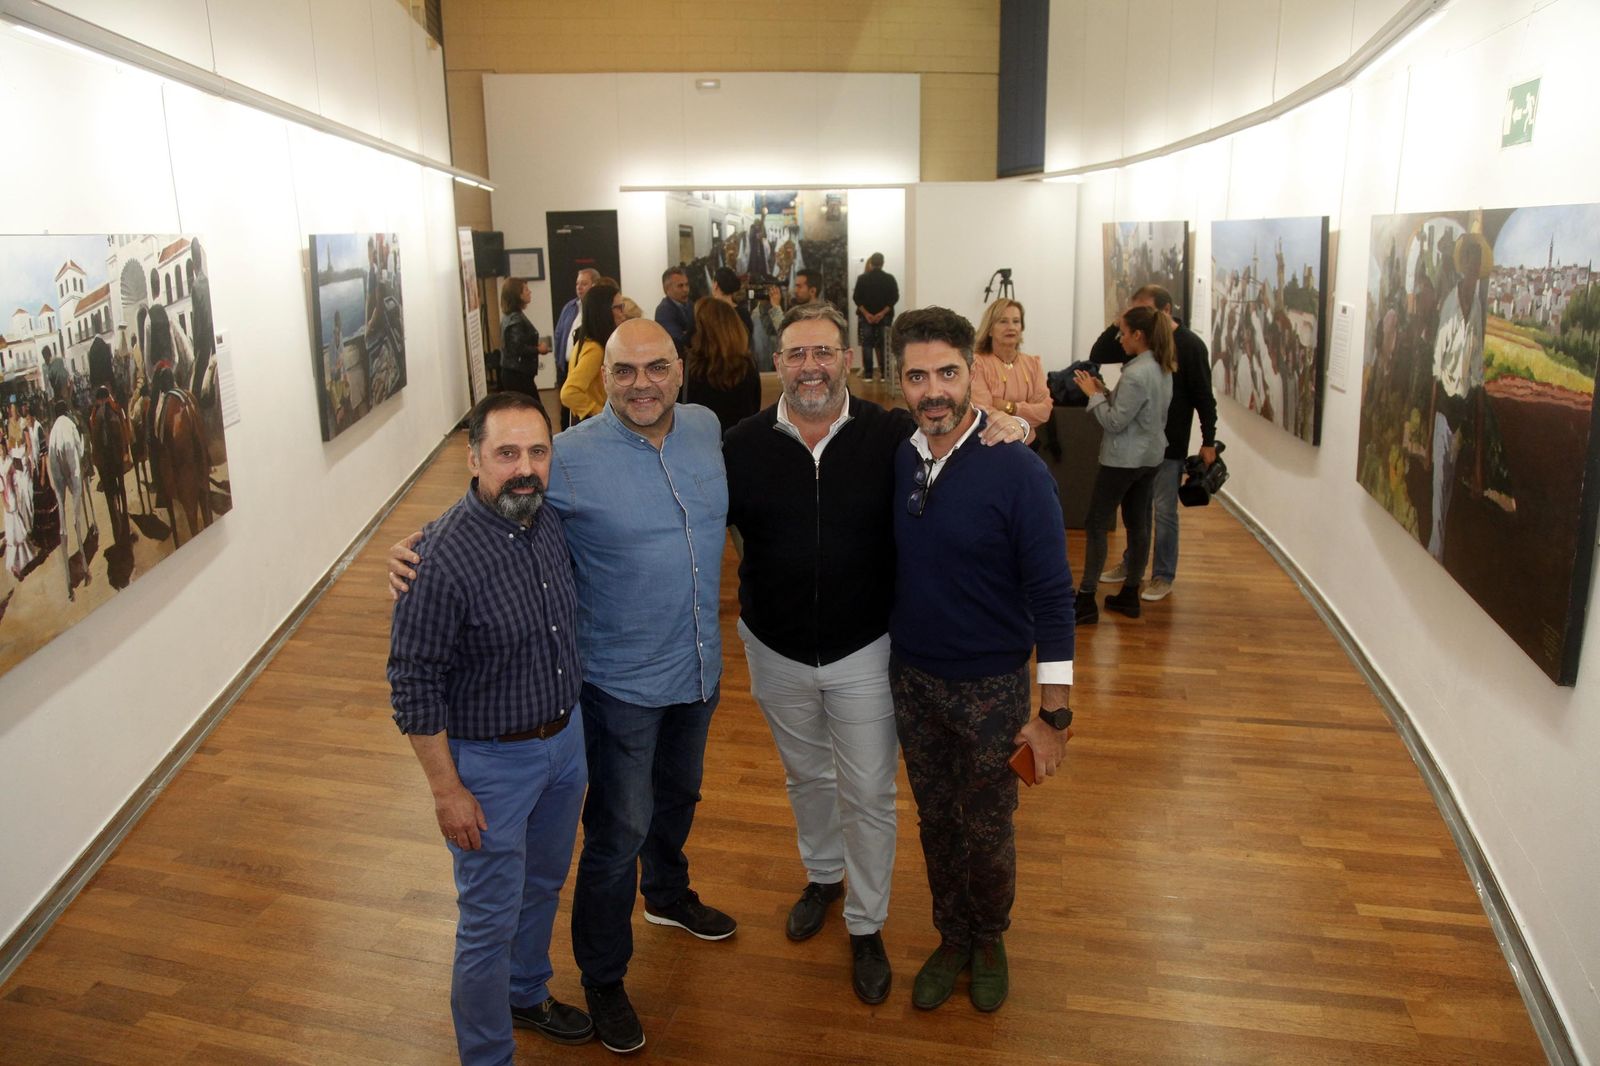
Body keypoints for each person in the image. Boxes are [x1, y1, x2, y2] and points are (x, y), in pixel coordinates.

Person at [391, 319, 734, 1056]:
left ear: (681, 371)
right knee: (602, 846)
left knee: (590, 852)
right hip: (582, 711)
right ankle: (584, 991)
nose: (641, 383)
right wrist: (412, 550)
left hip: (643, 697)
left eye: (656, 367)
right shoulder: (563, 468)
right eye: (623, 370)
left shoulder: (702, 431)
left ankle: (578, 956)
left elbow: (507, 513)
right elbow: (417, 662)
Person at [723, 303, 1028, 1006]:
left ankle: (866, 923)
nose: (810, 368)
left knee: (867, 792)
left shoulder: (890, 434)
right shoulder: (741, 444)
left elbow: (956, 426)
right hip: (773, 648)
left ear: (850, 361)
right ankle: (824, 875)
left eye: (824, 353)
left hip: (866, 648)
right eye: (797, 354)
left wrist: (1011, 423)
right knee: (806, 778)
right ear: (778, 364)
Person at [388, 392, 593, 1063]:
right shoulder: (439, 558)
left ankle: (527, 993)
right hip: (491, 768)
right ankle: (486, 1056)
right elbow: (413, 683)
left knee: (541, 886)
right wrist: (447, 791)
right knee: (485, 926)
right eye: (507, 453)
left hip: (564, 748)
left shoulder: (547, 520)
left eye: (538, 451)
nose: (525, 467)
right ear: (473, 457)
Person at [888, 306, 1075, 1014]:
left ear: (972, 375)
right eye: (917, 376)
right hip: (912, 680)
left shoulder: (1016, 469)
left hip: (993, 688)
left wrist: (1056, 713)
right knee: (936, 821)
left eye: (946, 373)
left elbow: (1055, 598)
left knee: (989, 828)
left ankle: (989, 937)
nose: (932, 390)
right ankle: (951, 935)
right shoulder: (901, 455)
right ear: (899, 381)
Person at [1090, 285, 1217, 602]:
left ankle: (1162, 575)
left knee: (1163, 512)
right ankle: (1132, 569)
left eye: (1142, 310)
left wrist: (1209, 440)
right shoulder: (1139, 343)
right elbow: (1099, 353)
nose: (1136, 318)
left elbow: (1204, 397)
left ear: (1165, 310)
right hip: (1145, 446)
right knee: (1138, 514)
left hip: (1166, 445)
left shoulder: (1189, 346)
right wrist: (1119, 323)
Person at [1073, 304, 1176, 623]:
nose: (1119, 339)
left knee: (1095, 524)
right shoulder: (1162, 365)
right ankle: (1130, 594)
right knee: (1138, 523)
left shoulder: (1135, 372)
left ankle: (1087, 598)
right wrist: (1105, 392)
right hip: (1151, 457)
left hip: (1123, 460)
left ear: (1138, 335)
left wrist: (1093, 395)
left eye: (1123, 333)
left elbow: (1115, 423)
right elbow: (1141, 412)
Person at [969, 298, 1052, 445]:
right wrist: (1027, 412)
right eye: (1003, 321)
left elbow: (1045, 410)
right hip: (989, 443)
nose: (1011, 327)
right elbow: (981, 410)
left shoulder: (1033, 363)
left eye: (1016, 321)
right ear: (989, 329)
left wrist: (1010, 407)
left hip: (1028, 443)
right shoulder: (977, 363)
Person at [683, 298, 760, 436]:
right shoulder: (747, 365)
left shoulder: (690, 366)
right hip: (740, 445)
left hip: (700, 445)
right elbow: (754, 410)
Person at [558, 283, 620, 422]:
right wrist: (602, 414)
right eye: (618, 308)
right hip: (592, 424)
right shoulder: (594, 350)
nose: (623, 313)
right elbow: (569, 393)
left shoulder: (586, 342)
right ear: (604, 311)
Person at [554, 268, 600, 429]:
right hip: (566, 367)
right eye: (577, 284)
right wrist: (558, 361)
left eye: (584, 283)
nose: (579, 287)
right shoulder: (569, 307)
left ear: (594, 285)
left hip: (584, 366)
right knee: (565, 412)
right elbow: (559, 334)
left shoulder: (595, 313)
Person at [497, 277, 551, 404]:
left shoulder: (511, 316)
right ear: (518, 295)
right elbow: (516, 348)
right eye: (526, 290)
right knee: (531, 407)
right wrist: (538, 349)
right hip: (518, 375)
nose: (530, 292)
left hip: (516, 373)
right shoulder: (515, 319)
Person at [852, 253, 899, 382]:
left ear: (871, 263)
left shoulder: (862, 278)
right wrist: (881, 313)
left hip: (865, 317)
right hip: (884, 317)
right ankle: (884, 374)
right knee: (884, 345)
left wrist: (867, 314)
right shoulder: (889, 278)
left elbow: (856, 298)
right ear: (883, 263)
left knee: (867, 344)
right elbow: (894, 297)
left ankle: (868, 375)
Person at [653, 267, 695, 358]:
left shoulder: (691, 305)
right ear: (666, 289)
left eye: (687, 285)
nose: (685, 289)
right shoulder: (663, 311)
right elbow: (679, 341)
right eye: (680, 286)